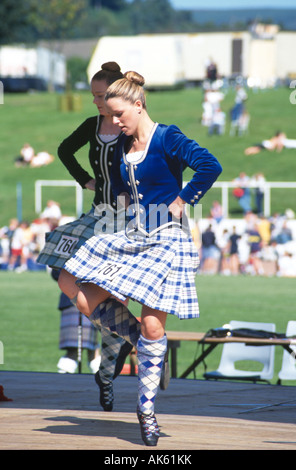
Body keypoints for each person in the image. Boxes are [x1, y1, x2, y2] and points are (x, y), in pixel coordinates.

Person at [58, 70, 222, 446]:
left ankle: (146, 410)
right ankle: (145, 346)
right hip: (130, 231)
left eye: (119, 115)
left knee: (153, 326)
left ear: (138, 104)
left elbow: (210, 166)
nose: (114, 122)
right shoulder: (120, 147)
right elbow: (118, 191)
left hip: (166, 237)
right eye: (110, 116)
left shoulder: (168, 137)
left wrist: (182, 200)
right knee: (69, 280)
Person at [37, 62, 134, 412]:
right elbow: (65, 150)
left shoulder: (130, 125)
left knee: (111, 293)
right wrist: (83, 179)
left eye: (101, 95)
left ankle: (108, 372)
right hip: (98, 214)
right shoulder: (93, 125)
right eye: (93, 95)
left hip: (129, 219)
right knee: (65, 275)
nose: (95, 101)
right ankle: (129, 336)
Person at [51, 268, 101, 374]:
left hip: (88, 300)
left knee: (91, 348)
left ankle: (102, 379)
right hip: (81, 300)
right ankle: (102, 379)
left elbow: (56, 273)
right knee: (76, 349)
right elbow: (56, 273)